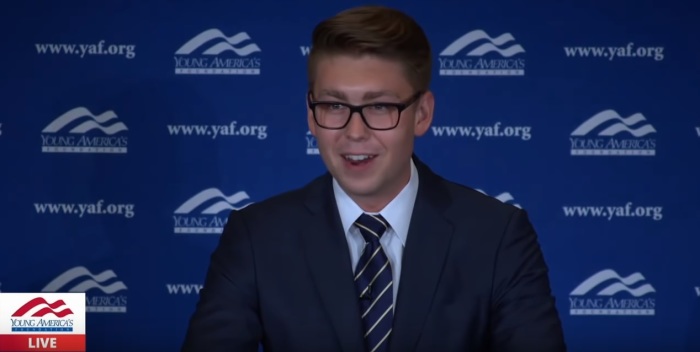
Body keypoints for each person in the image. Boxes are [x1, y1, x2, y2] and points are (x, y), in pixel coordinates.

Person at [181, 5, 566, 352]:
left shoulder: (498, 236)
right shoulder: (256, 237)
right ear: (311, 114)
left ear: (422, 114)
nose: (354, 132)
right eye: (334, 105)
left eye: (379, 106)